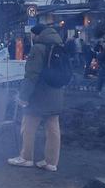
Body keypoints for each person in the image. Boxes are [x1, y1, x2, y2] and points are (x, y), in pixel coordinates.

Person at [9, 24, 65, 172]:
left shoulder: (38, 49)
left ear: (36, 35)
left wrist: (23, 96)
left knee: (28, 125)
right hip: (56, 93)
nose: (30, 37)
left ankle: (26, 158)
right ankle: (51, 162)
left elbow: (31, 75)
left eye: (31, 35)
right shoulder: (59, 46)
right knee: (53, 128)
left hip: (39, 95)